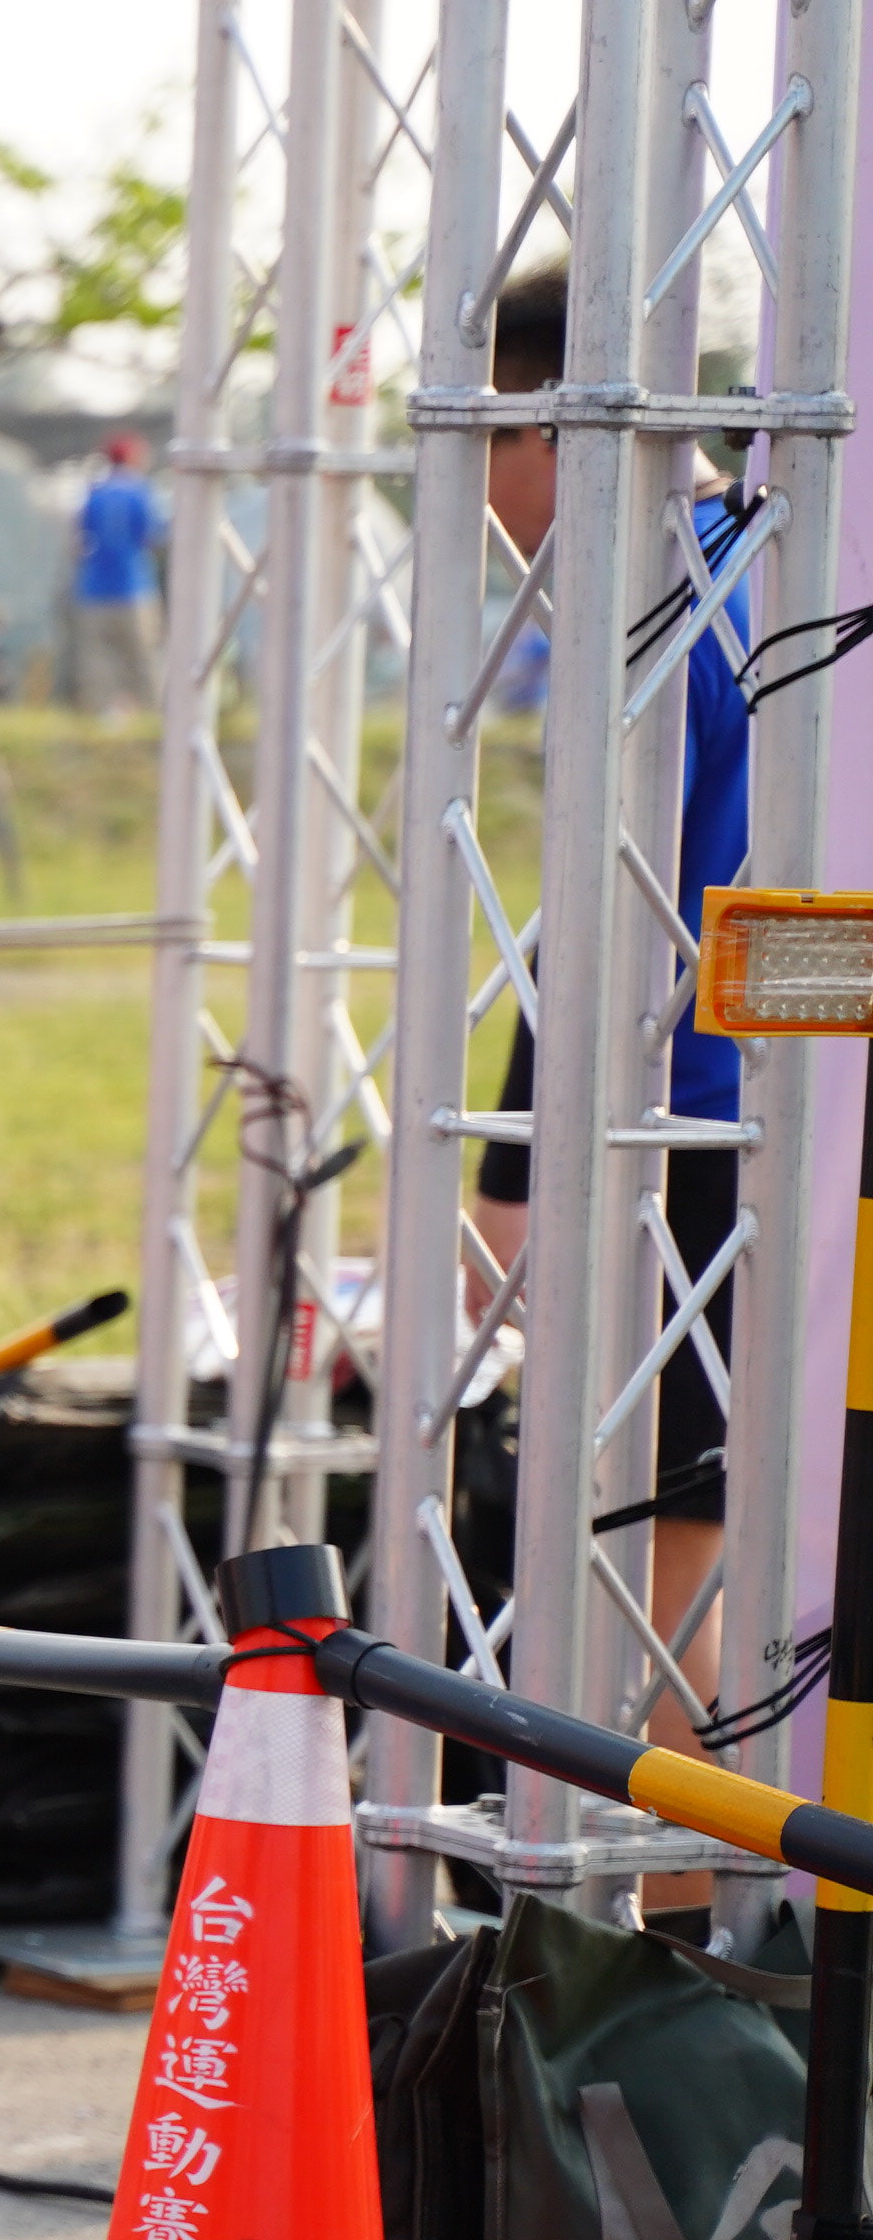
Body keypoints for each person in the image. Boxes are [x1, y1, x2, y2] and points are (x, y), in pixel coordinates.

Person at [465, 264, 749, 1823]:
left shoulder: (659, 610)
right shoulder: (780, 567)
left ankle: (674, 1925)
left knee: (662, 1572)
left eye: (479, 447)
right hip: (773, 1123)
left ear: (546, 423)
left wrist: (512, 1169)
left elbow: (601, 910)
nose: (478, 501)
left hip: (677, 1131)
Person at [67, 433, 164, 716]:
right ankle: (149, 711)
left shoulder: (94, 493)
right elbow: (152, 536)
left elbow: (79, 539)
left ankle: (101, 713)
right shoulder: (140, 492)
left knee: (97, 658)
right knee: (142, 655)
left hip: (93, 589)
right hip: (134, 586)